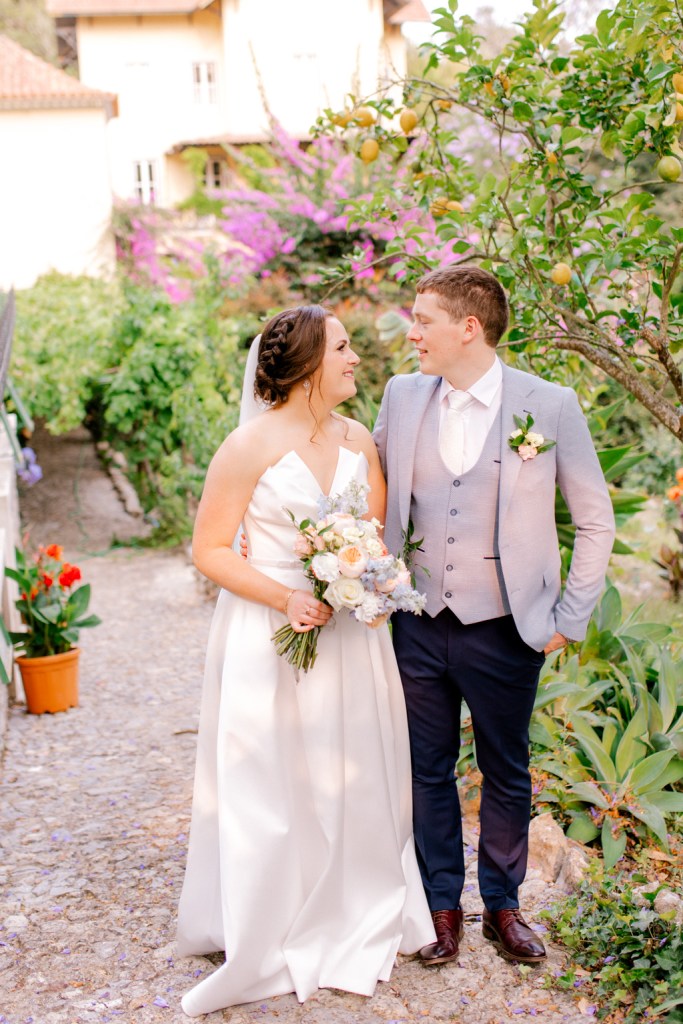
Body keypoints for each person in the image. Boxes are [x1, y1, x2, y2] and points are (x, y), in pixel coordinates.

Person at [176, 305, 435, 1016]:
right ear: (308, 365)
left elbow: (373, 538)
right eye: (345, 349)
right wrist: (285, 596)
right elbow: (208, 550)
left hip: (351, 637)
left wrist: (367, 582)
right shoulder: (247, 447)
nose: (356, 359)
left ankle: (357, 903)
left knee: (353, 769)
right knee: (275, 777)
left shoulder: (358, 439)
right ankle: (274, 918)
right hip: (270, 634)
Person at [373, 265, 615, 966]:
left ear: (467, 328)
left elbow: (594, 520)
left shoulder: (549, 405)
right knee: (427, 768)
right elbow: (373, 491)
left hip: (508, 624)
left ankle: (502, 909)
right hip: (416, 619)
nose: (410, 332)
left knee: (506, 769)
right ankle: (441, 905)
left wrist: (569, 613)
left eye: (422, 320)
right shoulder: (402, 395)